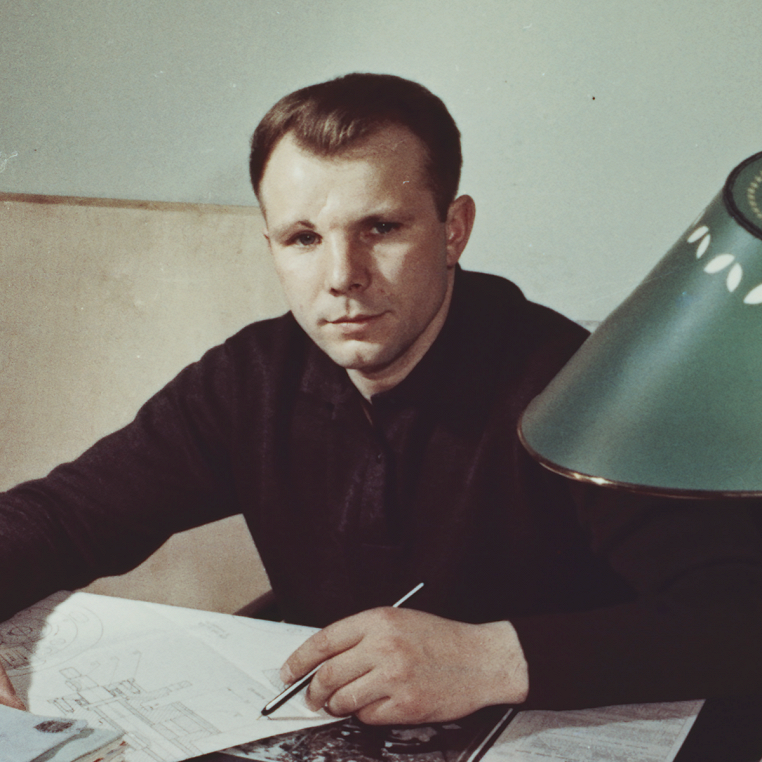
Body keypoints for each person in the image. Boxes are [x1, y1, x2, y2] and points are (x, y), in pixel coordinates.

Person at [1, 73, 761, 724]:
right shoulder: (250, 377)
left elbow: (740, 614)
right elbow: (62, 516)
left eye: (382, 227)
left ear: (453, 229)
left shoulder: (581, 382)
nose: (342, 276)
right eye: (303, 238)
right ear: (271, 246)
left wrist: (495, 658)